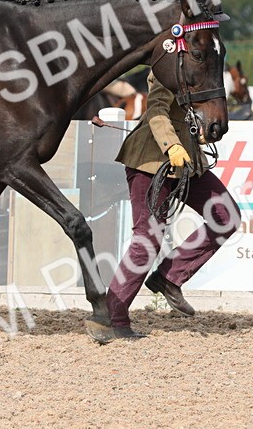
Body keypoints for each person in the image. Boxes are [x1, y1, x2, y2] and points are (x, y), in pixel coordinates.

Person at [88, 71, 242, 343]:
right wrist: (172, 145)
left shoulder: (202, 68)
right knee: (148, 239)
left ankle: (169, 277)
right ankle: (111, 319)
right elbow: (157, 109)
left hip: (188, 160)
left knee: (225, 216)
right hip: (149, 160)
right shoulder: (167, 65)